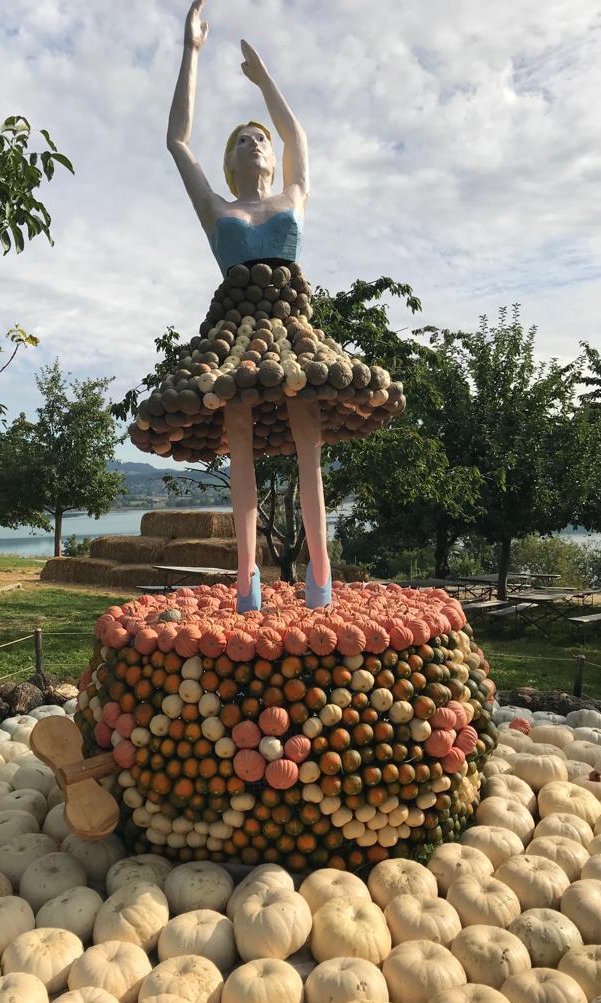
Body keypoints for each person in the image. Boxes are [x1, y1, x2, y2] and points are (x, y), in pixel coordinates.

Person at [130, 0, 404, 611]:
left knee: (310, 448)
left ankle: (319, 574)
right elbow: (176, 141)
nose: (254, 143)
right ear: (230, 164)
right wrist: (190, 52)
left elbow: (298, 136)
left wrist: (265, 81)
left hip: (291, 332)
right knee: (240, 447)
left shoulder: (293, 195)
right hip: (234, 333)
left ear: (273, 159)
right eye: (243, 141)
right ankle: (246, 576)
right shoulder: (217, 209)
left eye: (260, 139)